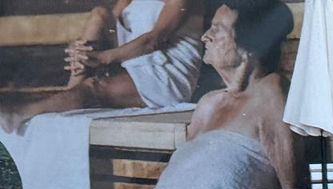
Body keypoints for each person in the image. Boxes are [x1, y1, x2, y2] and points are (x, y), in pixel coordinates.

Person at [67, 0, 304, 189]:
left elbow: (291, 178)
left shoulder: (270, 91)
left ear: (251, 44)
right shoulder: (208, 104)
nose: (205, 36)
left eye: (217, 29)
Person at [0, 0, 203, 134]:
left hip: (166, 77)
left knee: (95, 87)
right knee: (99, 14)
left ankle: (19, 114)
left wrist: (103, 58)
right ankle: (73, 90)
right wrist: (80, 48)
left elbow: (154, 40)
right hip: (135, 63)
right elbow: (110, 26)